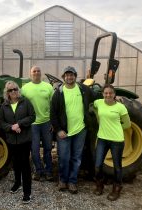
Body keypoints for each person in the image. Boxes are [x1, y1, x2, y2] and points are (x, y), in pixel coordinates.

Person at [50, 66, 93, 194]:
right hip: (64, 131)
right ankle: (63, 180)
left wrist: (114, 99)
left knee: (76, 157)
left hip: (80, 130)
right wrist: (58, 130)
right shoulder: (59, 92)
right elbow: (53, 113)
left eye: (72, 75)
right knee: (63, 157)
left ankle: (72, 182)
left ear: (75, 76)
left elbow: (96, 96)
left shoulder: (83, 89)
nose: (70, 77)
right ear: (64, 77)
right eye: (67, 75)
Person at [0, 81, 35, 204]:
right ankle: (17, 183)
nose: (13, 91)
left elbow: (32, 116)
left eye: (15, 89)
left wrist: (19, 124)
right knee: (15, 163)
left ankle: (27, 192)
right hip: (11, 140)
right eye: (10, 90)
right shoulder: (4, 106)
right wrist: (11, 127)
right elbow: (2, 122)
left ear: (18, 90)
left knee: (25, 165)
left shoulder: (26, 102)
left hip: (24, 139)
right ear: (7, 93)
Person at [93, 84, 131, 201]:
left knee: (117, 167)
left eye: (110, 93)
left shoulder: (120, 107)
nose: (108, 95)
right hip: (102, 139)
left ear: (114, 94)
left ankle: (117, 188)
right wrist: (99, 120)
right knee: (98, 165)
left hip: (116, 140)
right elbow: (93, 107)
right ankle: (100, 185)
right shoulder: (98, 103)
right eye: (106, 93)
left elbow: (127, 124)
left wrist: (116, 127)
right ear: (103, 94)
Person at [21, 66, 54, 181]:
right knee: (34, 150)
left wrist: (52, 122)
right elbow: (22, 106)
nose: (36, 73)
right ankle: (38, 171)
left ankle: (49, 171)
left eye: (38, 71)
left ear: (41, 73)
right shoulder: (24, 89)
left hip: (46, 122)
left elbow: (53, 105)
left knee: (48, 148)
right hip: (32, 124)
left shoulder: (48, 87)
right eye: (34, 71)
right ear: (30, 74)